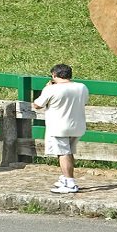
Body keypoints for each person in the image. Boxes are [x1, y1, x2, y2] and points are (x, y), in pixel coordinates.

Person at [32, 64, 89, 194]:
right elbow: (84, 101)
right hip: (77, 125)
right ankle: (65, 178)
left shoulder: (51, 89)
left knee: (63, 153)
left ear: (54, 75)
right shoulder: (82, 87)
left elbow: (37, 105)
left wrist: (46, 89)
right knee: (69, 152)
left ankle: (70, 182)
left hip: (59, 126)